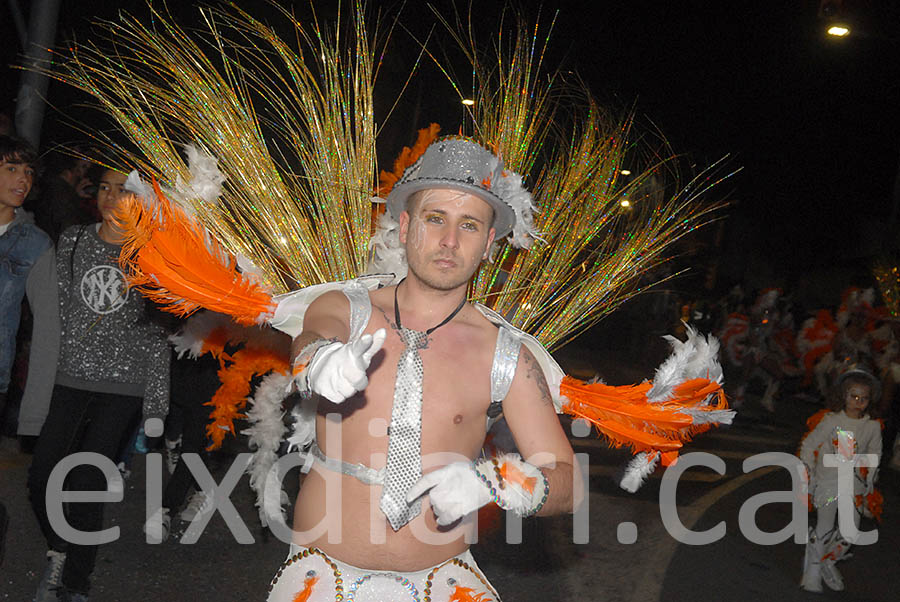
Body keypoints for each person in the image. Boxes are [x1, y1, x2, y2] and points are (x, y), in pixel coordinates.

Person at [266, 138, 580, 601]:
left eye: (469, 225)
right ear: (407, 224)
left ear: (489, 241)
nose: (450, 241)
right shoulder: (347, 310)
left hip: (442, 586)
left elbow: (568, 484)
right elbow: (312, 337)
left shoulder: (507, 355)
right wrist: (320, 363)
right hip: (319, 580)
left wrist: (499, 481)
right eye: (436, 219)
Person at [24, 168, 170, 602]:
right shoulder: (72, 241)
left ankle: (75, 582)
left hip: (123, 385)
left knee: (87, 479)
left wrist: (156, 406)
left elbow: (157, 335)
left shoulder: (151, 255)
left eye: (121, 191)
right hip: (69, 378)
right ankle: (61, 547)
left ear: (141, 198)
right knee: (41, 474)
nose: (109, 198)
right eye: (102, 189)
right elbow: (56, 317)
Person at [798, 364, 882, 593]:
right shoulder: (831, 421)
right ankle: (812, 572)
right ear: (843, 396)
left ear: (870, 400)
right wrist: (810, 475)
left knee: (850, 534)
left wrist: (869, 483)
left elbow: (875, 454)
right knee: (825, 526)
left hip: (854, 486)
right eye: (853, 396)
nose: (858, 401)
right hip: (827, 483)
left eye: (864, 398)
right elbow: (808, 445)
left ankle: (827, 561)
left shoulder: (872, 427)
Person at [0, 136, 54, 439]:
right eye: (12, 168)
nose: (24, 178)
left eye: (29, 171)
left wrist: (35, 410)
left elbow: (48, 328)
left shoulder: (35, 244)